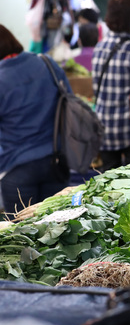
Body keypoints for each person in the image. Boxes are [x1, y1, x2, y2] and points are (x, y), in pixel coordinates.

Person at [0, 25, 71, 216]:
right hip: (56, 163)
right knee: (58, 230)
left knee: (22, 237)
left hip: (16, 169)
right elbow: (69, 103)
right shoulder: (46, 63)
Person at [92, 0, 130, 171]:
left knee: (108, 187)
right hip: (129, 130)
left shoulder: (99, 46)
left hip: (104, 128)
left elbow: (96, 89)